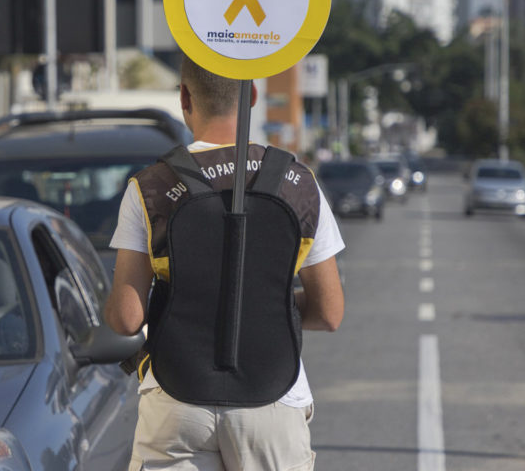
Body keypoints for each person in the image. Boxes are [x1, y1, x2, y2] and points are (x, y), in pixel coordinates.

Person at [104, 55, 346, 471]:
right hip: (273, 395)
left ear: (183, 96)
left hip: (176, 395)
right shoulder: (299, 183)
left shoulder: (150, 187)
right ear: (252, 95)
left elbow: (127, 319)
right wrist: (269, 304)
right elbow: (329, 312)